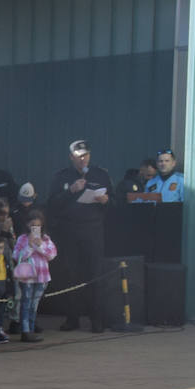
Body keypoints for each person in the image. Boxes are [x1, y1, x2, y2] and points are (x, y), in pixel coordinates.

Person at [47, 139, 113, 331]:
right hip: (69, 232)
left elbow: (114, 201)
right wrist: (71, 191)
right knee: (70, 274)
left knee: (94, 273)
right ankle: (72, 318)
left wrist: (106, 200)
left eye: (85, 156)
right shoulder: (61, 177)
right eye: (78, 157)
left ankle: (96, 318)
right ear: (71, 158)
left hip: (93, 231)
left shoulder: (101, 175)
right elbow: (52, 203)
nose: (82, 160)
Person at [11, 210, 56, 341]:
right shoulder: (22, 239)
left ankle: (31, 329)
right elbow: (16, 256)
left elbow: (51, 255)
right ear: (27, 225)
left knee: (34, 304)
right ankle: (25, 331)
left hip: (42, 276)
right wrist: (30, 246)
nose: (35, 228)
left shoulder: (46, 239)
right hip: (27, 276)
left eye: (38, 225)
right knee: (26, 302)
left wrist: (40, 246)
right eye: (32, 225)